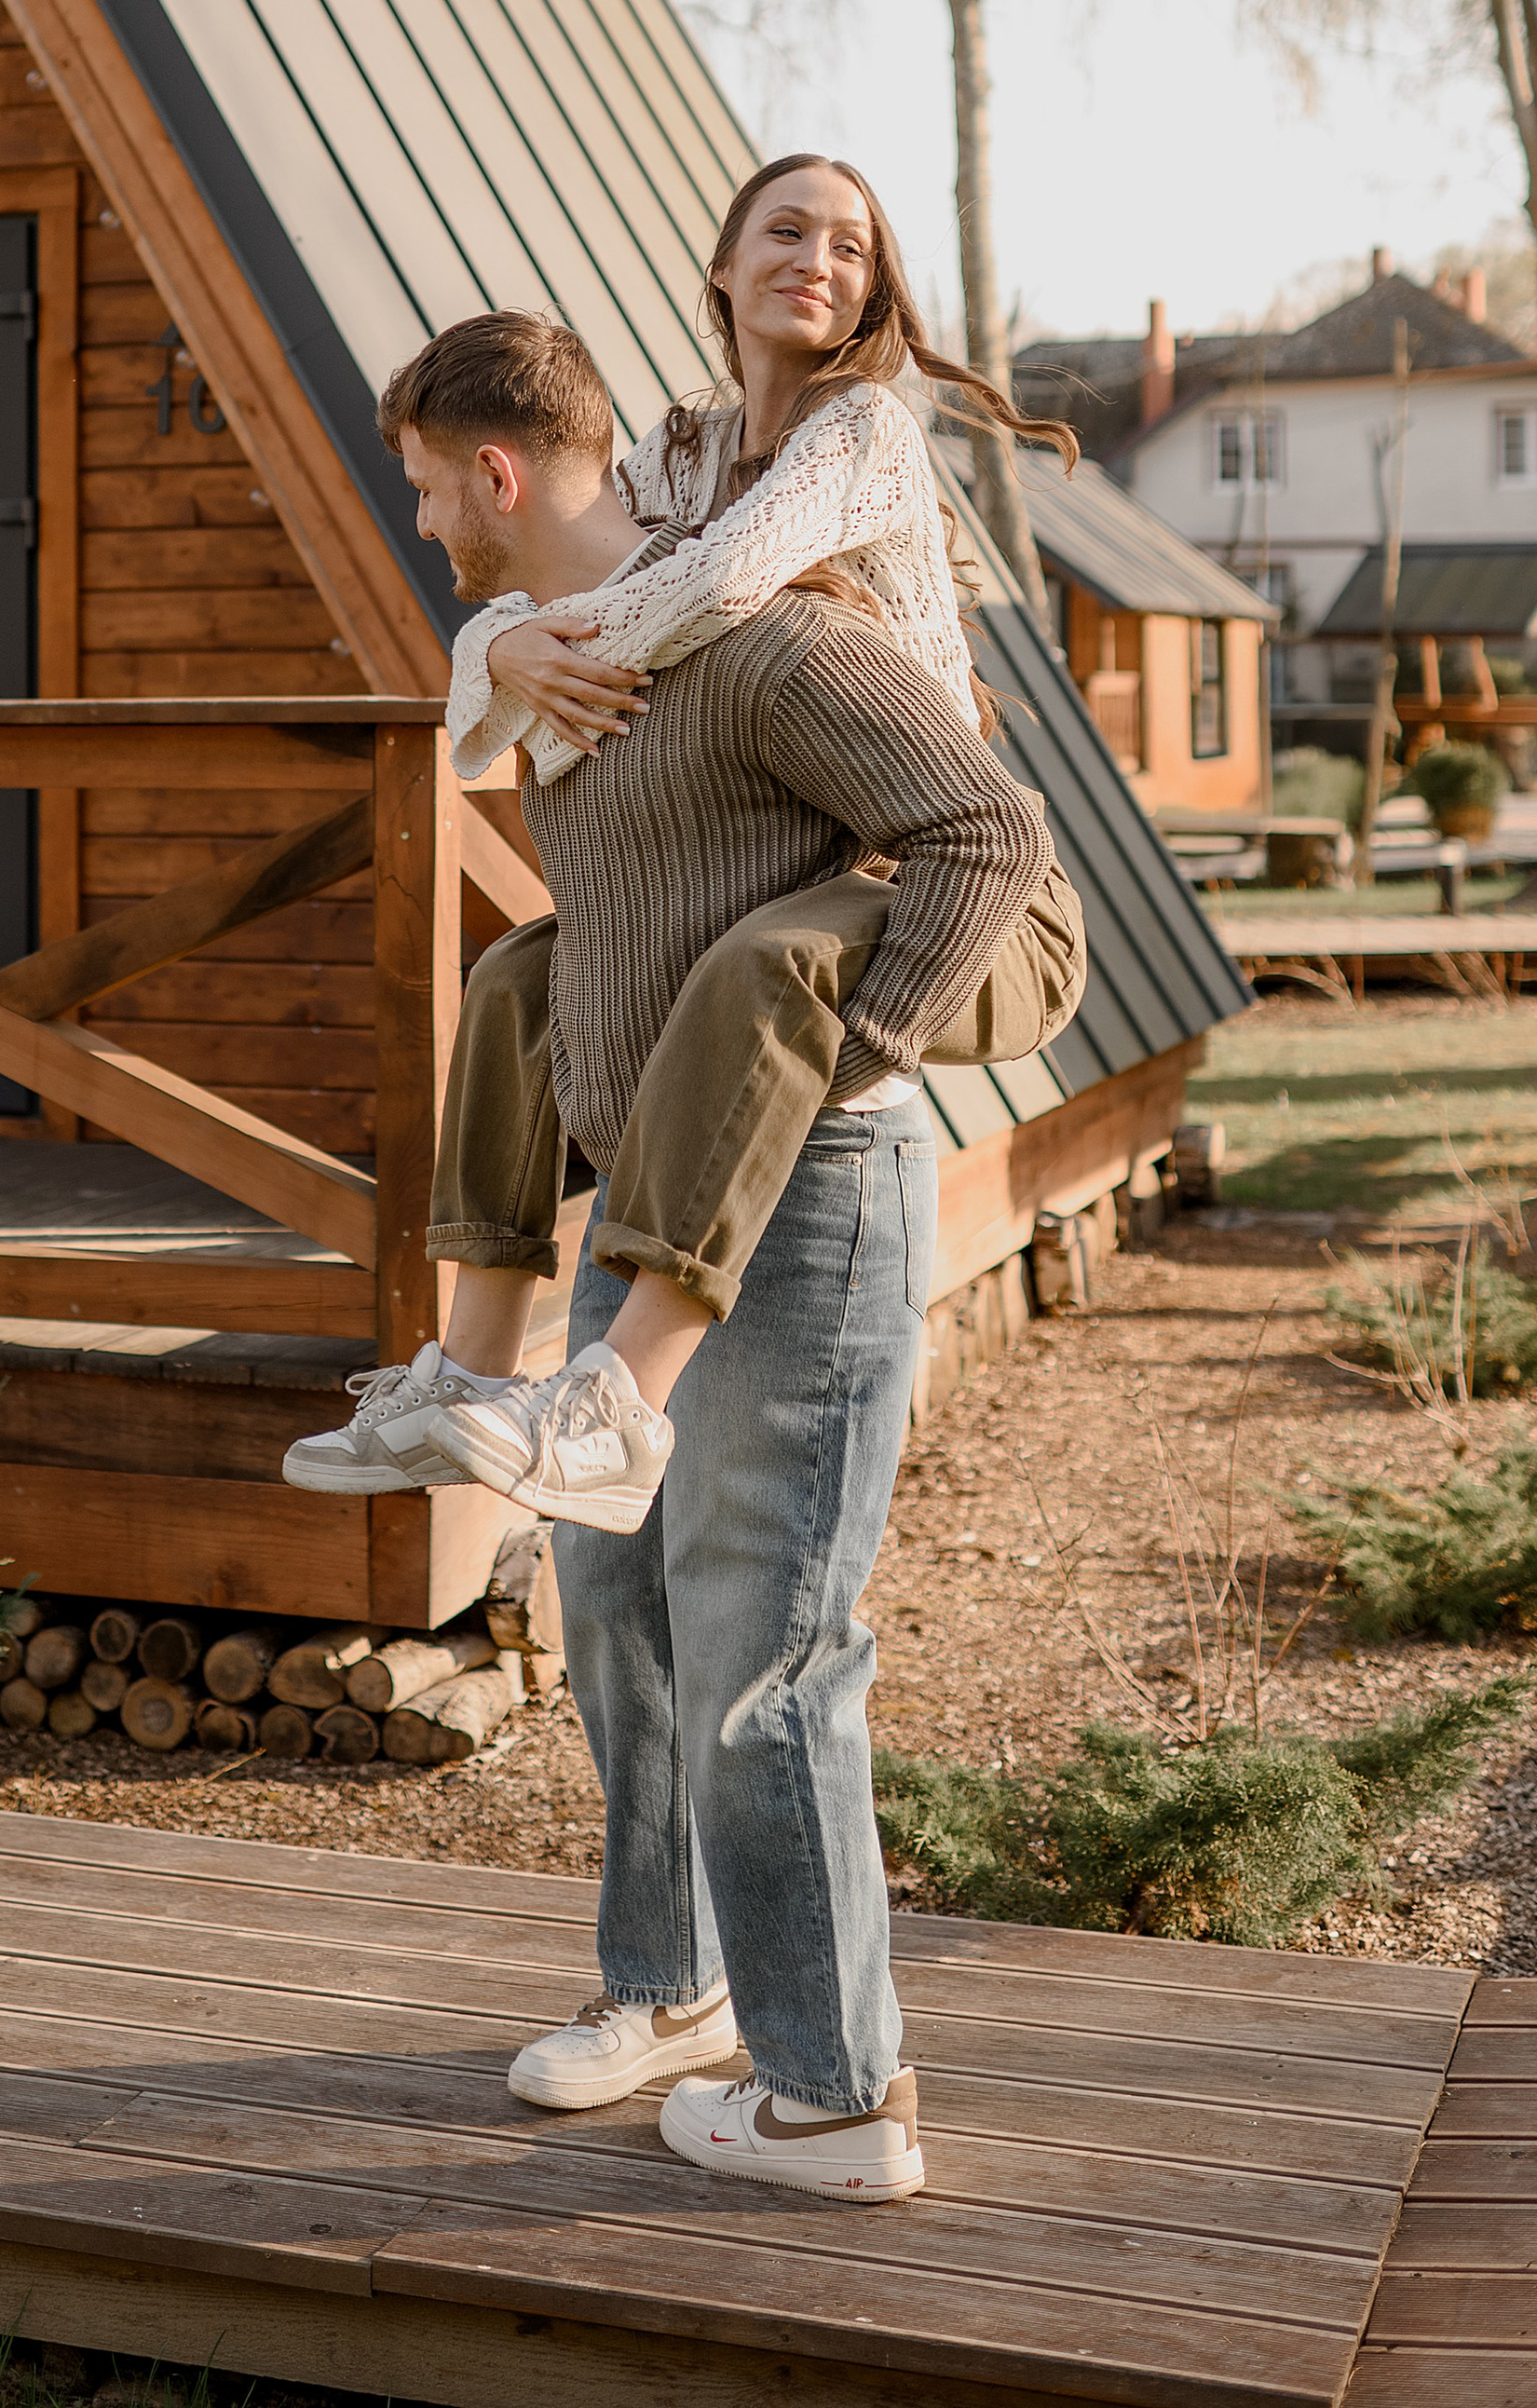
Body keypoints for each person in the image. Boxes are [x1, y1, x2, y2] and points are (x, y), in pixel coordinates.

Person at [331, 308, 1055, 2198]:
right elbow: (587, 929)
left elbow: (987, 825)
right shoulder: (567, 672)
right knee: (628, 1633)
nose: (419, 525)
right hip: (646, 1218)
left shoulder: (770, 640)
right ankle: (672, 1993)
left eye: (423, 488)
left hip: (802, 1209)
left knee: (763, 1657)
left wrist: (856, 1045)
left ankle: (830, 2099)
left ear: (497, 472)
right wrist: (501, 656)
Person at [283, 156, 1082, 1529]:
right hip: (845, 854)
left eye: (851, 243)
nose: (818, 258)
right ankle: (469, 1373)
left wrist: (534, 654)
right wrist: (502, 641)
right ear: (720, 263)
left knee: (772, 961)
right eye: (786, 230)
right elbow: (578, 531)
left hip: (964, 884)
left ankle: (618, 1408)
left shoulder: (861, 434)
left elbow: (707, 585)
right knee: (522, 974)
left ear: (874, 287)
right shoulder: (686, 448)